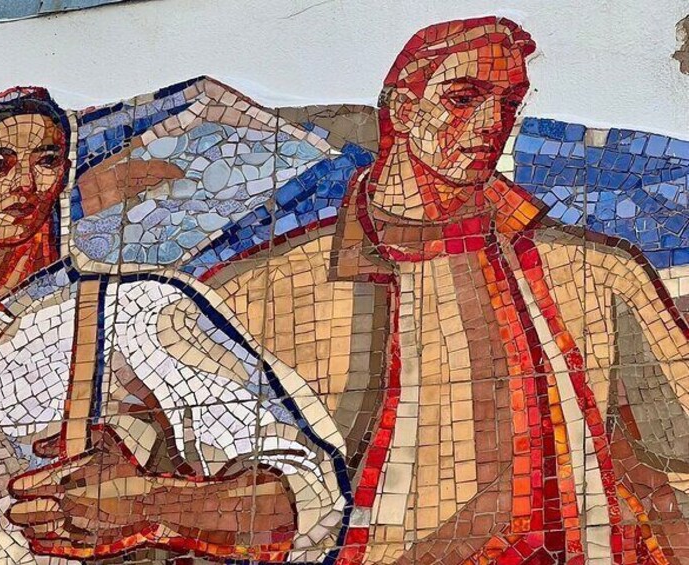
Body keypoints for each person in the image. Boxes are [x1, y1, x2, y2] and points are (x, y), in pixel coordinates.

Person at [192, 16, 689, 564]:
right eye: (463, 98)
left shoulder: (597, 270)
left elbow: (672, 457)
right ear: (404, 110)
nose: (492, 123)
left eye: (509, 102)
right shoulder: (261, 290)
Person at [0, 86, 350, 564]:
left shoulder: (135, 308)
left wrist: (152, 505)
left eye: (46, 162)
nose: (25, 184)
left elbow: (311, 494)